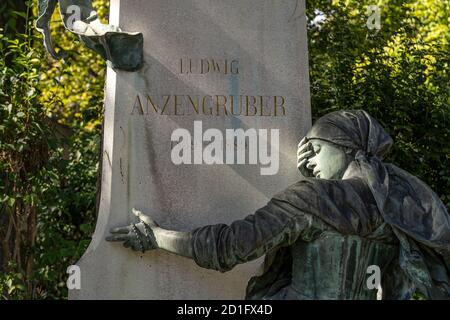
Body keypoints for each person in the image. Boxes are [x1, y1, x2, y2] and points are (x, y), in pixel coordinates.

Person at [106, 110, 450, 300]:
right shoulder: (397, 207)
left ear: (345, 147)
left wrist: (157, 237)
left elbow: (230, 246)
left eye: (314, 147)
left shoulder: (311, 198)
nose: (308, 157)